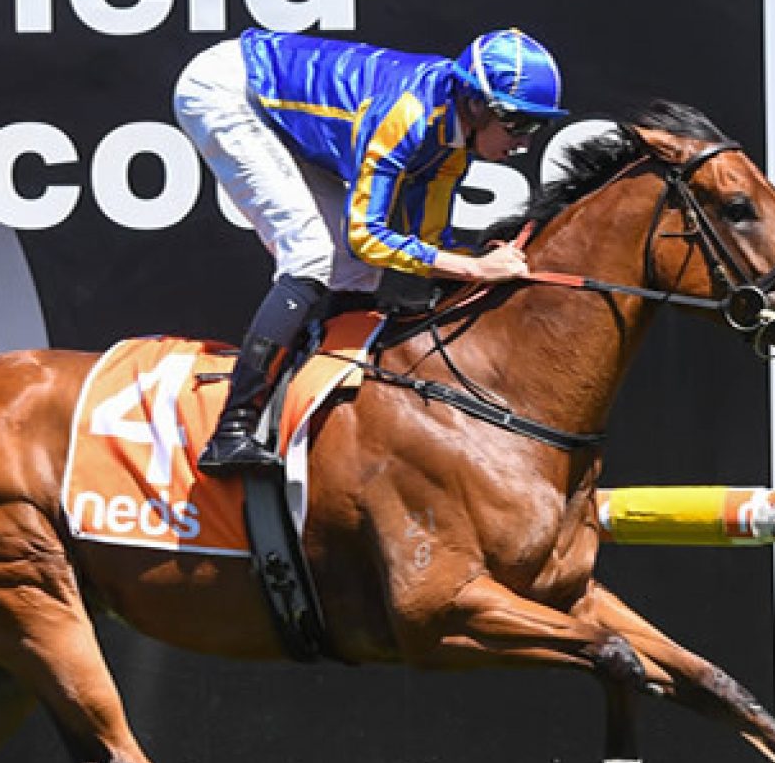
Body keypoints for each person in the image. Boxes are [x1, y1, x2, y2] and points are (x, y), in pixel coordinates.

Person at [172, 26, 569, 474]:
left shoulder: (454, 138)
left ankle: (324, 400)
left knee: (355, 269)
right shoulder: (408, 117)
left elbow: (428, 242)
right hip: (228, 91)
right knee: (311, 253)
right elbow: (369, 236)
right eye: (517, 123)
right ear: (476, 104)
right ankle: (231, 430)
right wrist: (474, 269)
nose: (524, 142)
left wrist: (474, 263)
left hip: (271, 100)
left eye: (538, 126)